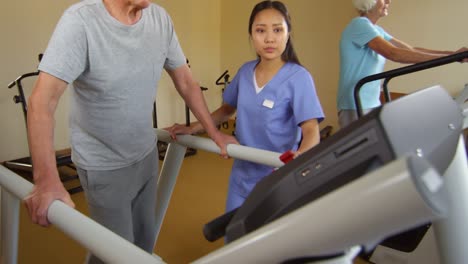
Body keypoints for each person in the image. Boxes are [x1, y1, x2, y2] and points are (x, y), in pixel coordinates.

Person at [23, 0, 236, 263]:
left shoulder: (159, 19)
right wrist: (46, 181)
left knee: (144, 241)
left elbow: (186, 82)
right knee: (117, 252)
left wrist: (213, 132)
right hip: (103, 165)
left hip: (145, 154)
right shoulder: (81, 21)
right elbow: (42, 102)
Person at [166, 0, 324, 213]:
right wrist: (193, 127)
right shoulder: (245, 72)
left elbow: (311, 129)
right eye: (260, 30)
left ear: (288, 33)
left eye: (278, 30)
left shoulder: (299, 78)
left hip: (278, 177)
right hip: (243, 175)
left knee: (269, 242)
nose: (269, 38)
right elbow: (226, 111)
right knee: (236, 232)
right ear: (251, 35)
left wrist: (301, 156)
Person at [337, 0, 468, 128]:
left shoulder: (376, 29)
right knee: (362, 149)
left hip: (370, 101)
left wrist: (453, 55)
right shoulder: (359, 24)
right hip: (355, 102)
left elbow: (410, 50)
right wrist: (452, 58)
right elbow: (394, 53)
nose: (388, 1)